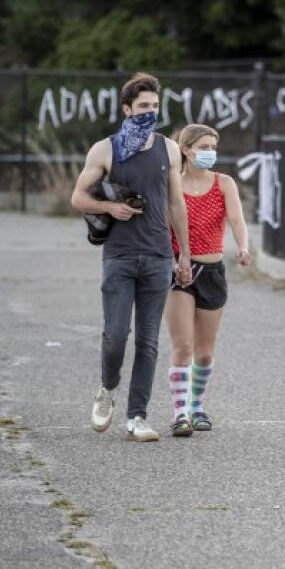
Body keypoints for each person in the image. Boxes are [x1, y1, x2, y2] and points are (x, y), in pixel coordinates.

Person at [70, 72, 192, 442]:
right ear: (126, 108)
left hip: (158, 255)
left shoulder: (169, 149)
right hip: (119, 255)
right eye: (142, 107)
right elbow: (78, 198)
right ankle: (107, 389)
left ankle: (136, 416)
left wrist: (183, 253)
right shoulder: (104, 149)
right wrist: (110, 206)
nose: (149, 112)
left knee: (149, 340)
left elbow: (176, 202)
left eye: (154, 106)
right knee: (116, 335)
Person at [163, 124, 252, 437]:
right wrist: (173, 262)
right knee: (183, 345)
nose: (210, 153)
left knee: (203, 352)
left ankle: (197, 405)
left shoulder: (223, 183)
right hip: (179, 272)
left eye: (213, 147)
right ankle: (181, 413)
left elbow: (237, 219)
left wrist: (242, 247)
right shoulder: (171, 184)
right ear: (186, 149)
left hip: (212, 272)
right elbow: (163, 228)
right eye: (203, 147)